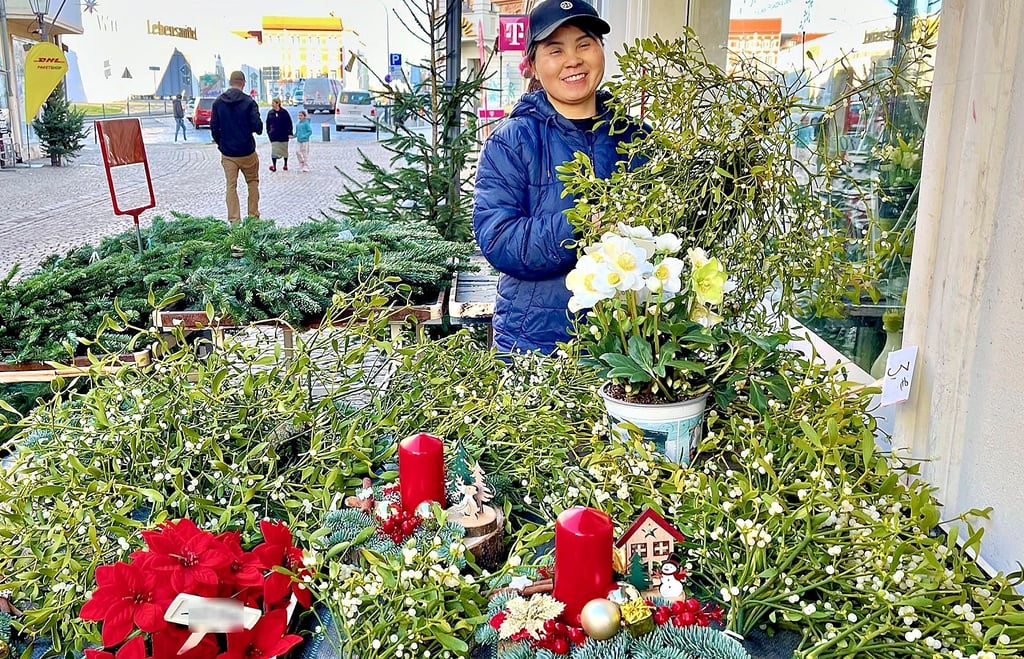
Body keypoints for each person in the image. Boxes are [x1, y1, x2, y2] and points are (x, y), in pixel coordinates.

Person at [473, 0, 643, 355]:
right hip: (535, 344)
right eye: (555, 50)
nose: (573, 60)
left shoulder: (636, 138)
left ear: (600, 51)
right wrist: (581, 225)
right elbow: (500, 241)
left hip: (633, 343)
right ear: (533, 65)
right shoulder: (511, 143)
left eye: (584, 44)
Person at [211, 70, 263, 222]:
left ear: (230, 82)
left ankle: (234, 220)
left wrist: (222, 145)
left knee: (231, 186)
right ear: (243, 83)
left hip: (228, 154)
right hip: (247, 151)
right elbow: (258, 127)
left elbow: (214, 129)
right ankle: (253, 217)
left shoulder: (218, 102)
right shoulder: (249, 102)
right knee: (252, 182)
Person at [266, 98, 294, 172]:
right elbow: (267, 124)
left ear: (278, 103)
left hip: (283, 135)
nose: (272, 104)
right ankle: (274, 166)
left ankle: (285, 164)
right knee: (274, 151)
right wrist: (269, 132)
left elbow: (289, 123)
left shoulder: (284, 112)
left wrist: (290, 132)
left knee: (284, 150)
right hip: (274, 135)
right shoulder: (270, 113)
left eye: (273, 103)